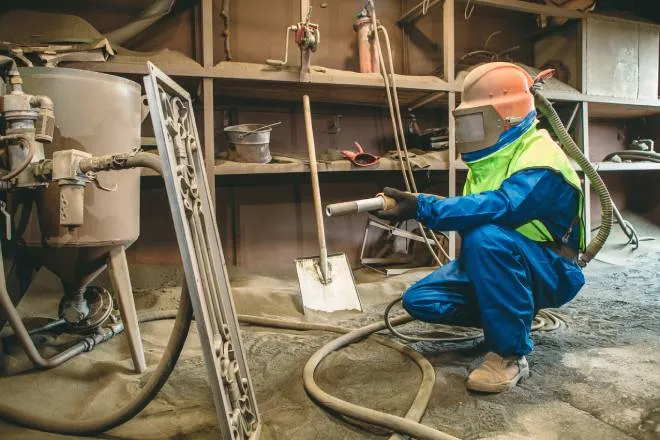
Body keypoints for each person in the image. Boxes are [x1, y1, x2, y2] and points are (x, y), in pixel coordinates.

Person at [374, 62, 586, 393]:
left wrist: (423, 206)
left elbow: (504, 205)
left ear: (507, 117)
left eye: (476, 122)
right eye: (465, 123)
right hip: (504, 264)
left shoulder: (540, 159)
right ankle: (514, 314)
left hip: (551, 267)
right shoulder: (491, 160)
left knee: (485, 236)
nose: (469, 134)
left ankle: (509, 354)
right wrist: (424, 205)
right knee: (421, 300)